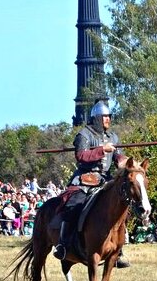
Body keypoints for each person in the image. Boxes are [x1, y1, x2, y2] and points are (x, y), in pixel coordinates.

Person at [52, 100, 132, 268]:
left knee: (121, 205)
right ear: (96, 118)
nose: (108, 119)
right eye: (105, 117)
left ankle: (118, 250)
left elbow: (118, 157)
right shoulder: (84, 134)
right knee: (73, 205)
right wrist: (102, 150)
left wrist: (126, 162)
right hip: (85, 179)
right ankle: (63, 245)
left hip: (106, 180)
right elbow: (81, 156)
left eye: (109, 116)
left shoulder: (113, 137)